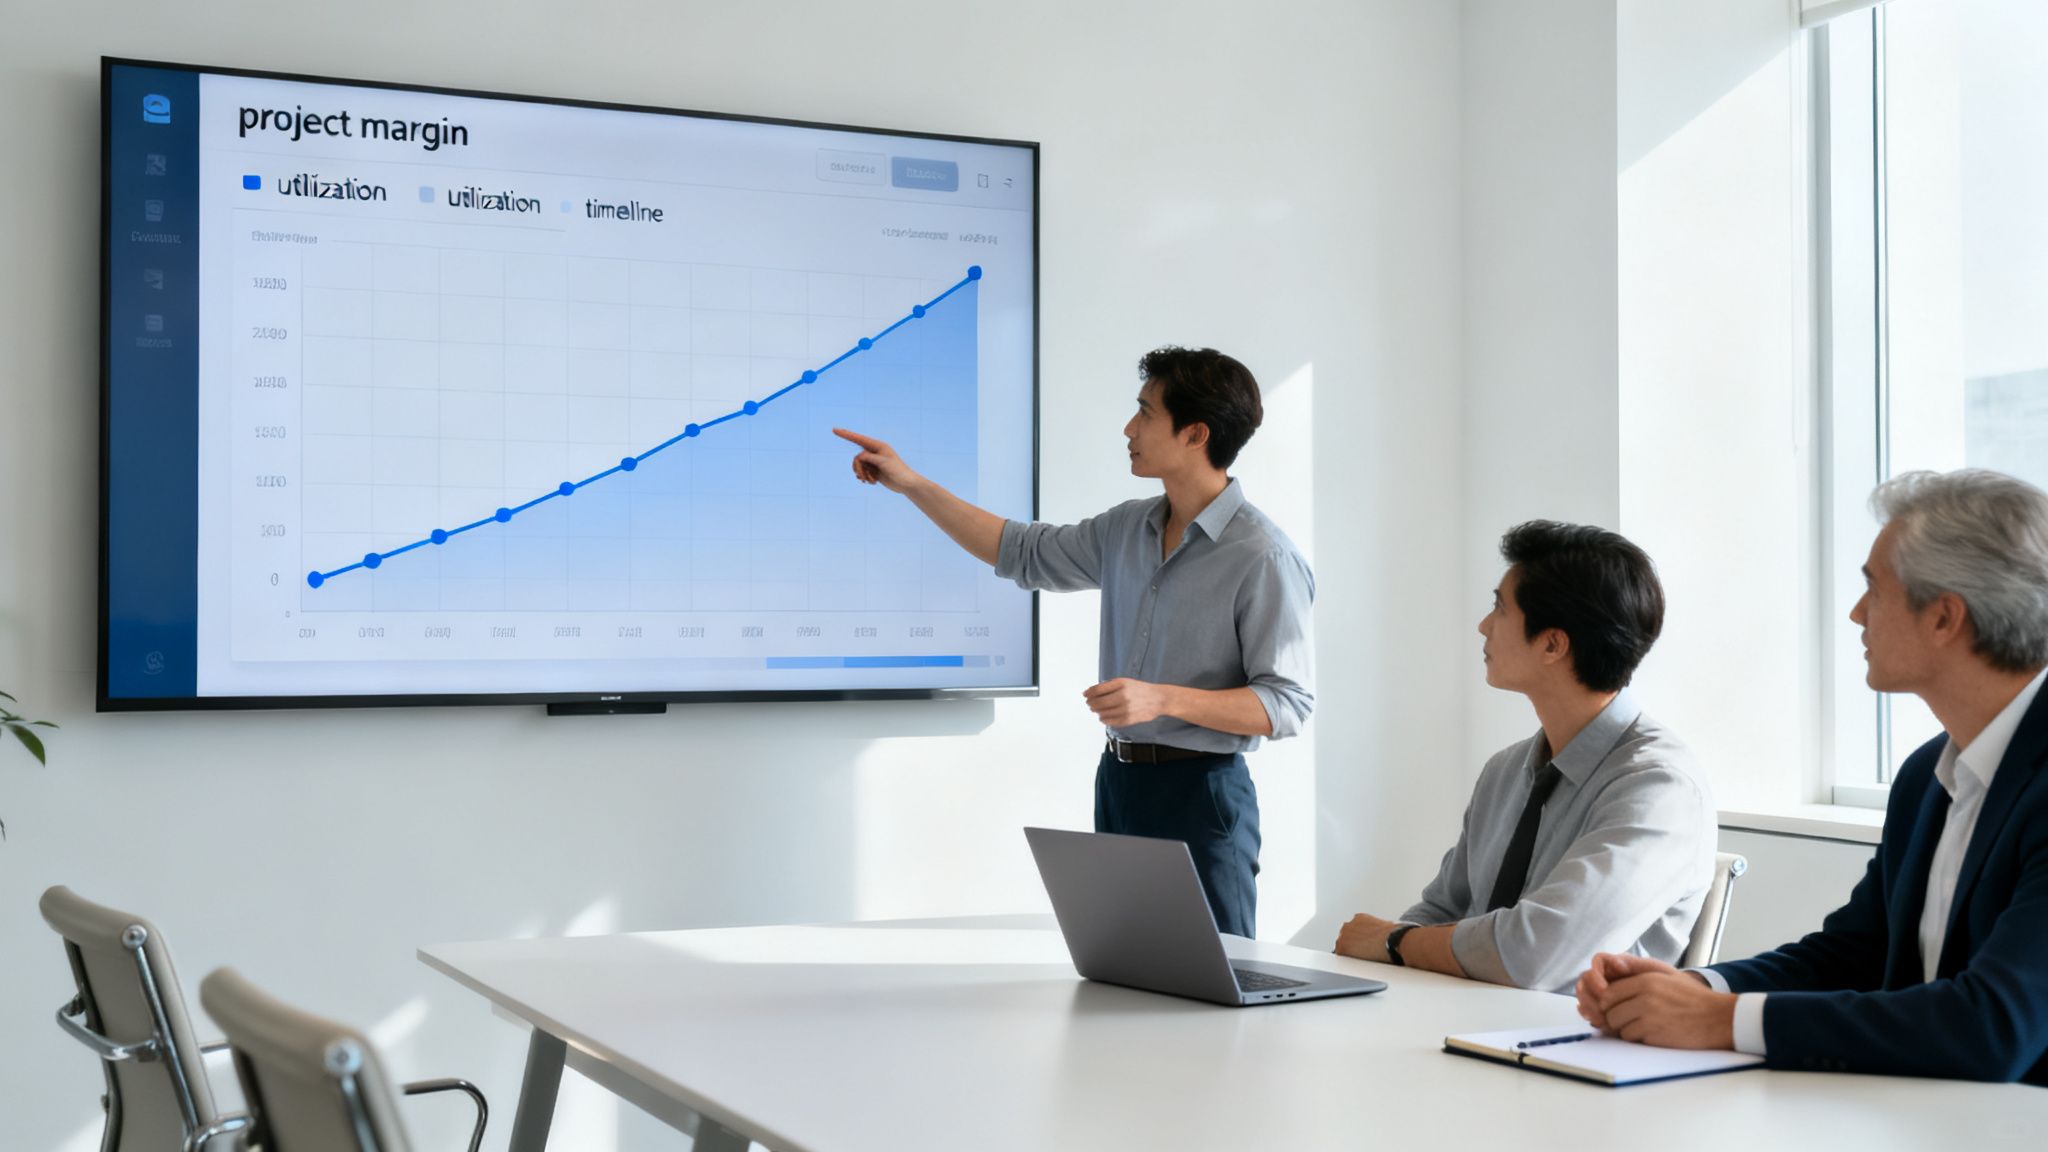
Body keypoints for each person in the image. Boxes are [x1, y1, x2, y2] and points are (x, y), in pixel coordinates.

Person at [1576, 469, 2048, 1084]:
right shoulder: (1926, 776)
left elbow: (1994, 1026)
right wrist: (1692, 987)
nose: (1856, 614)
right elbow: (1854, 952)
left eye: (1873, 590)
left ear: (1944, 617)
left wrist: (1722, 1020)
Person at [834, 346, 1312, 936]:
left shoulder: (1262, 555)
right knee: (1126, 974)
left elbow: (1288, 703)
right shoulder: (1127, 527)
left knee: (1214, 989)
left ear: (1194, 434)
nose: (1128, 428)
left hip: (1203, 795)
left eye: (1144, 413)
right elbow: (1019, 550)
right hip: (1119, 780)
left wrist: (1163, 699)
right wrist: (910, 484)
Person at [1334, 521, 1714, 993]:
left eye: (1499, 608)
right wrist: (1391, 958)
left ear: (1553, 644)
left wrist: (1394, 942)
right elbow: (1440, 911)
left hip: (1568, 1049)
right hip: (1461, 1026)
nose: (1483, 625)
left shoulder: (1660, 788)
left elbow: (1532, 955)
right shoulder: (1505, 771)